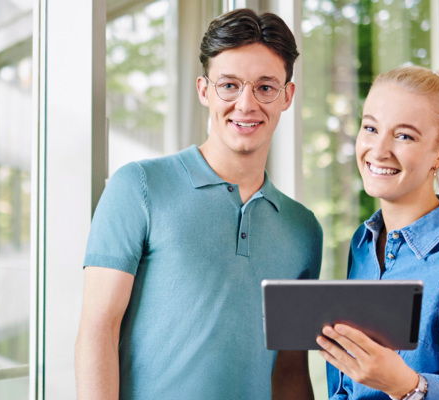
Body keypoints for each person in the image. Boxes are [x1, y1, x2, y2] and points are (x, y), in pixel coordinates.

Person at [75, 9, 322, 400]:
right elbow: (97, 330)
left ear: (286, 96)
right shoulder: (138, 186)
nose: (246, 104)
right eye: (229, 85)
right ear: (204, 90)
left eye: (265, 87)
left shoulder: (303, 228)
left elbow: (290, 372)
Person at [316, 66, 439, 400]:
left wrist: (406, 385)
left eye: (404, 136)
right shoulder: (363, 243)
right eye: (370, 128)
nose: (379, 150)